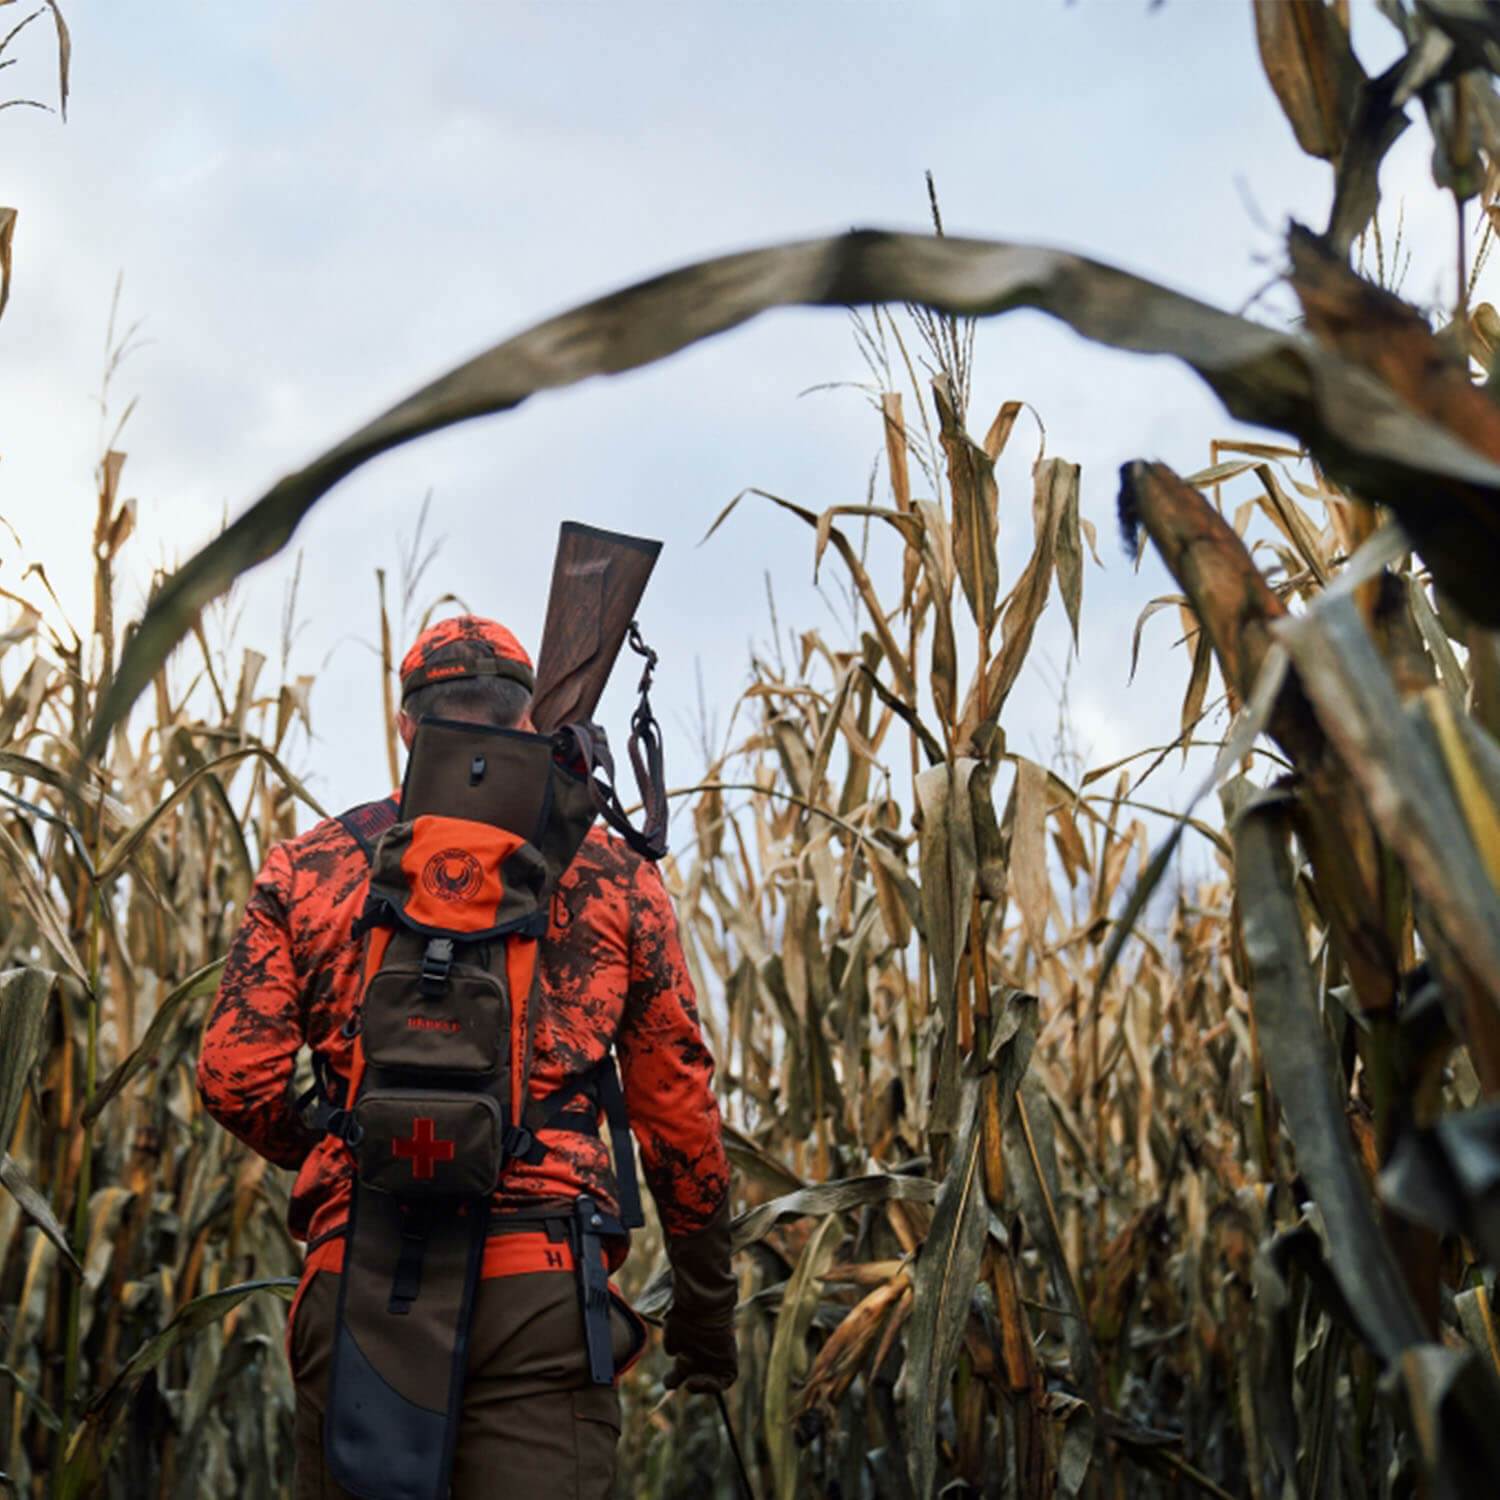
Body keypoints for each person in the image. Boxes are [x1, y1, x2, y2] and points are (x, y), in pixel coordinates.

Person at [197, 614, 737, 1500]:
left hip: (360, 1278)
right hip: (541, 1292)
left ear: (406, 726)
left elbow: (233, 1078)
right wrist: (706, 1314)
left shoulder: (313, 869)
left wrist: (352, 1139)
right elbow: (679, 1117)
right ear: (529, 721)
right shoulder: (609, 875)